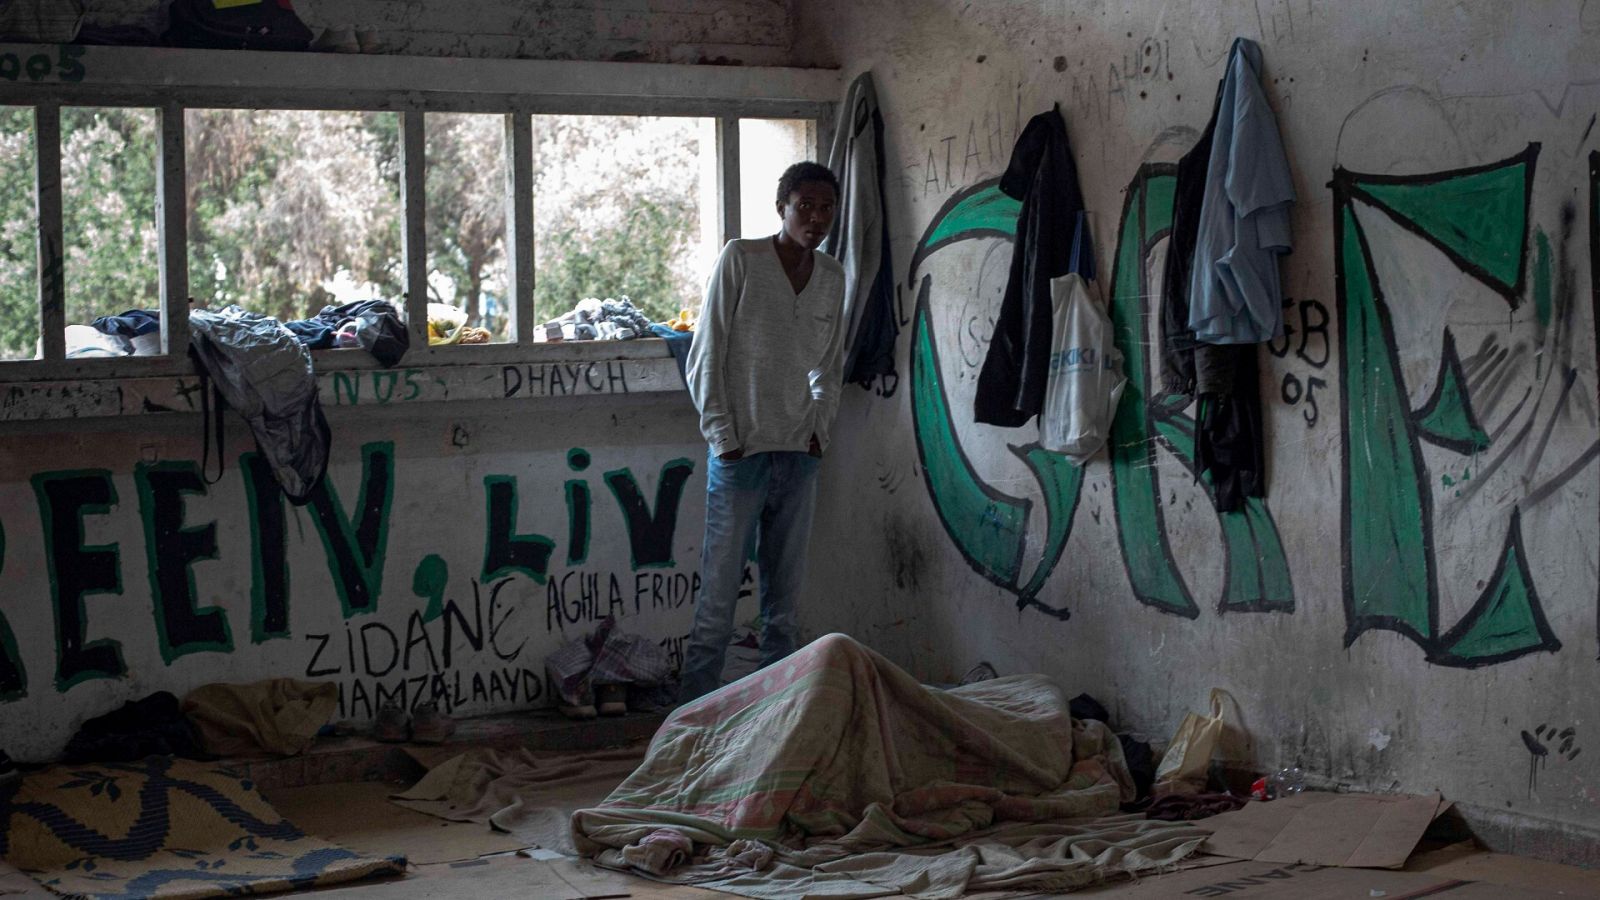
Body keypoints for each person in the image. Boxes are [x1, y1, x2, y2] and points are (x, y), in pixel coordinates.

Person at [679, 161, 846, 703]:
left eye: (825, 209)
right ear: (783, 207)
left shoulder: (832, 277)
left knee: (784, 606)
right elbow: (706, 354)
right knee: (719, 602)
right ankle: (692, 724)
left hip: (799, 454)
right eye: (805, 207)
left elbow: (830, 366)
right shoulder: (742, 259)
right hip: (741, 454)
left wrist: (819, 429)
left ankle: (773, 723)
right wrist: (723, 437)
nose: (815, 219)